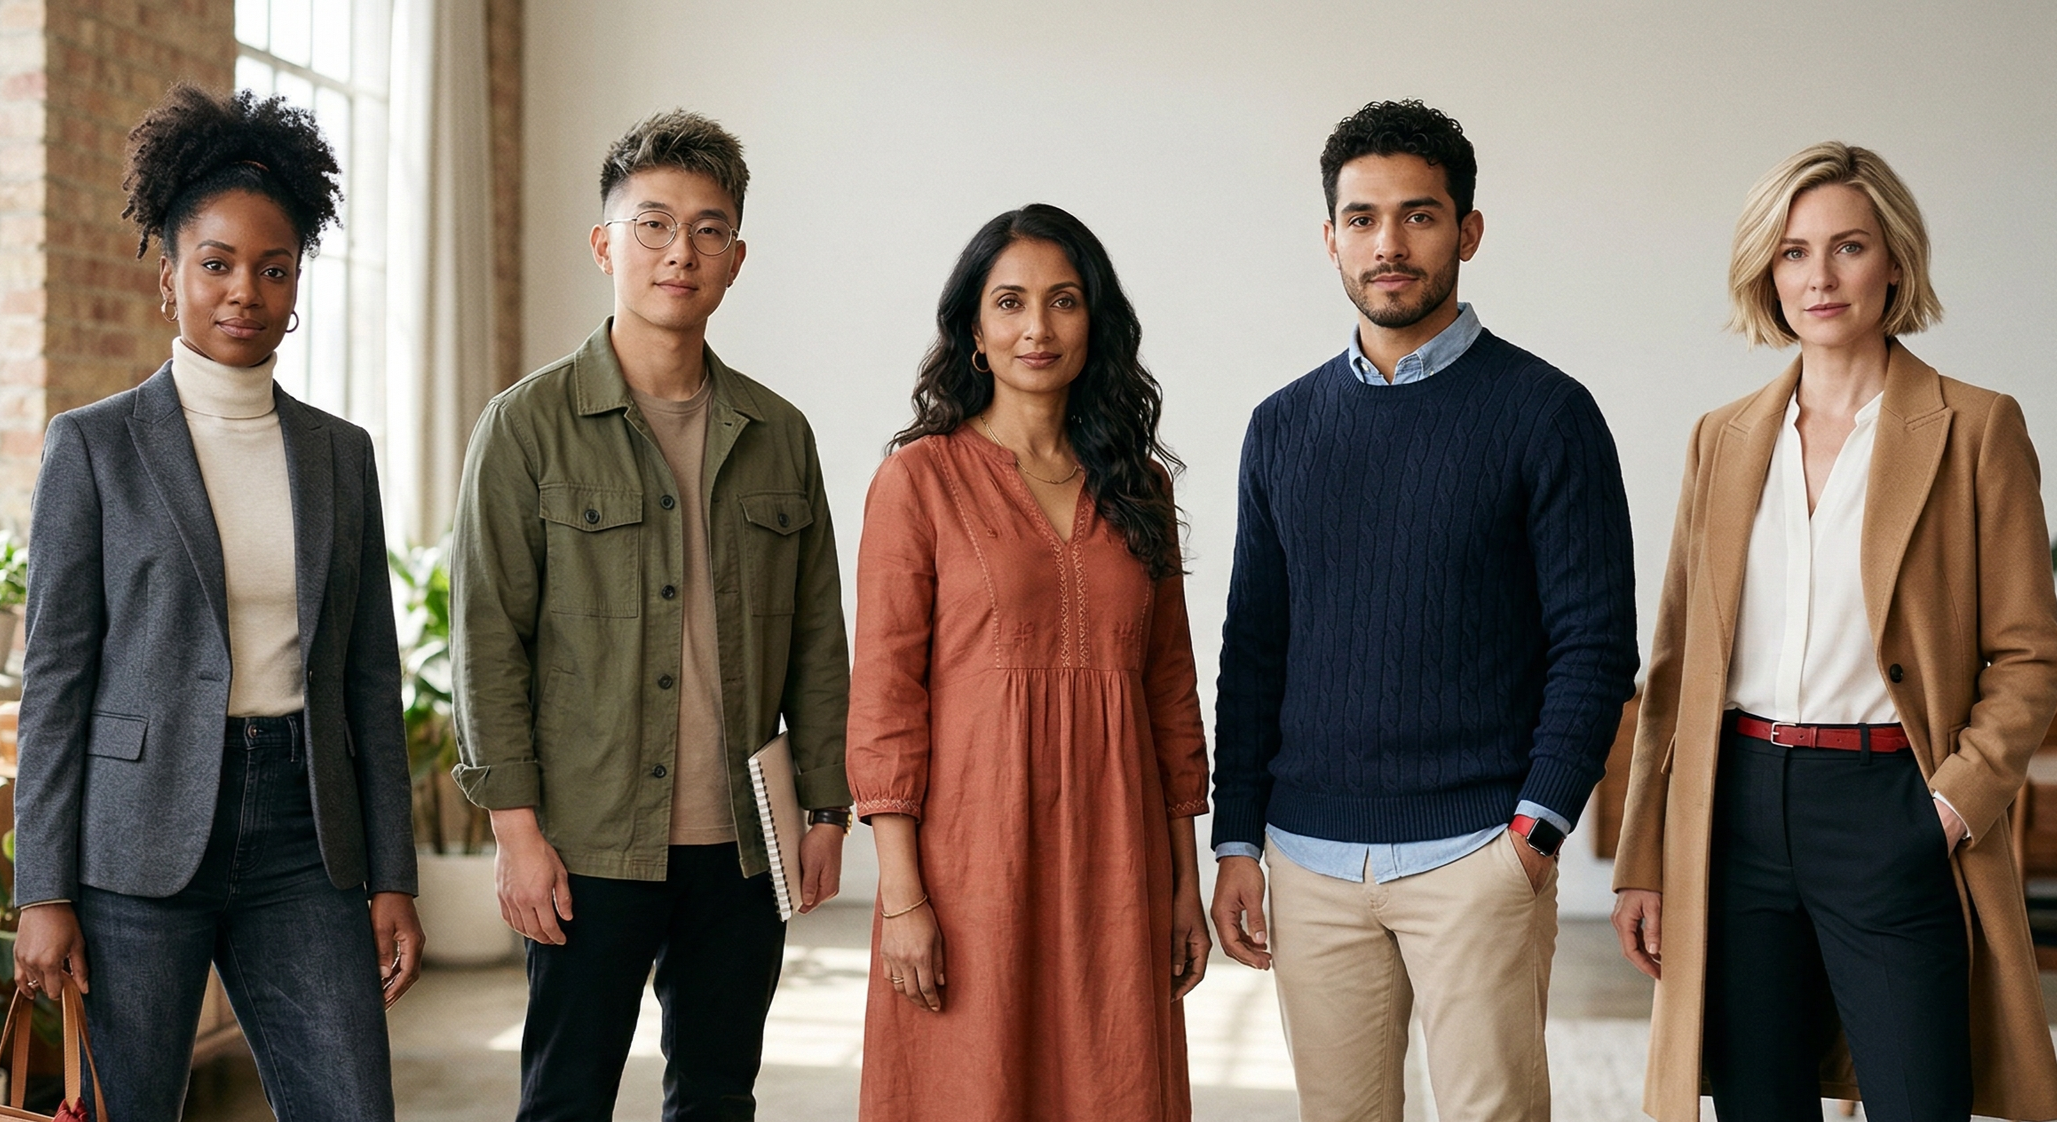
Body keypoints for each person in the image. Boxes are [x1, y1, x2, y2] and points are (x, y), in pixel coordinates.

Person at [1208, 99, 1639, 1122]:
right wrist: (1234, 840)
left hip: (1475, 853)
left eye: (1418, 215)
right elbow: (1253, 645)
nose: (1387, 244)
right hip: (1307, 859)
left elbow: (1593, 641)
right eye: (1360, 219)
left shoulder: (1546, 414)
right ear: (1329, 238)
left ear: (1467, 231)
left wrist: (1534, 830)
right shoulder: (1280, 427)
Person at [1611, 141, 2057, 1122]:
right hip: (1733, 810)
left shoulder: (1974, 429)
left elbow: (2028, 656)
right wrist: (1644, 854)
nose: (1817, 276)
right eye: (1790, 252)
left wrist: (1943, 810)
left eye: (1846, 247)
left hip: (1887, 804)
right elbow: (1677, 664)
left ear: (1892, 260)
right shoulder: (1719, 438)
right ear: (1764, 274)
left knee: (1915, 1099)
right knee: (1756, 1102)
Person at [11, 84, 422, 1121]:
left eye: (272, 268)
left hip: (303, 835)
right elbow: (57, 679)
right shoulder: (93, 447)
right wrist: (42, 891)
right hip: (133, 846)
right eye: (217, 263)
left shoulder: (341, 455)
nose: (245, 289)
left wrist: (393, 878)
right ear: (168, 278)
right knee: (132, 1105)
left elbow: (371, 679)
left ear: (295, 288)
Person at [449, 109, 851, 1122]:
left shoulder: (777, 435)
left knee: (717, 1096)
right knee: (565, 1099)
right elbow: (488, 638)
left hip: (743, 845)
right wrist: (516, 833)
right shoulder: (525, 428)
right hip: (587, 841)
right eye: (654, 224)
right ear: (604, 245)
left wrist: (827, 805)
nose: (681, 251)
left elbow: (816, 636)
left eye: (709, 229)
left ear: (736, 257)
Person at [847, 203, 1210, 1121]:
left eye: (1062, 301)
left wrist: (1183, 883)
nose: (1036, 328)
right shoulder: (917, 481)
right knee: (970, 1088)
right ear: (973, 328)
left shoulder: (1140, 488)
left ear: (1097, 322)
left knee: (1112, 1084)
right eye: (1009, 303)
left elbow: (1168, 688)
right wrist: (901, 899)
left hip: (1118, 861)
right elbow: (885, 696)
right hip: (971, 865)